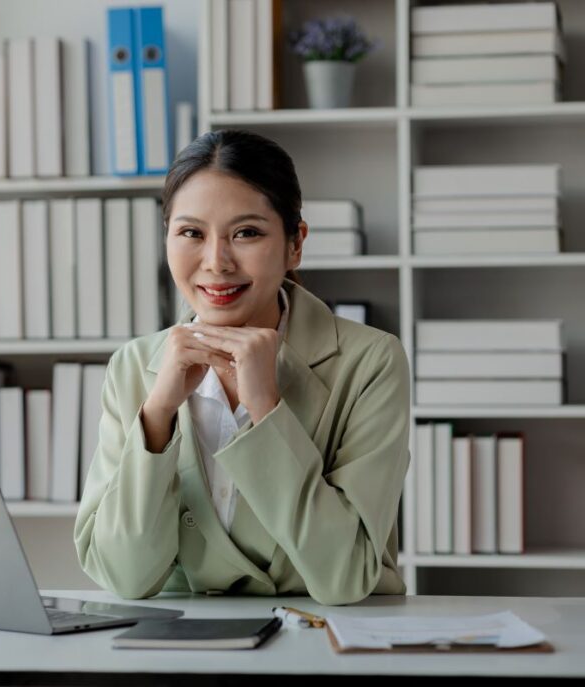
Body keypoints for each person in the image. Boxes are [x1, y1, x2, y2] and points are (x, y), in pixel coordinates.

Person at [73, 129, 410, 605]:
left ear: (296, 244)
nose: (216, 263)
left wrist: (267, 407)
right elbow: (123, 576)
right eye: (191, 233)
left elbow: (346, 577)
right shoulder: (133, 366)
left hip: (326, 647)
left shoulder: (370, 362)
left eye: (246, 233)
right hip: (179, 653)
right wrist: (159, 413)